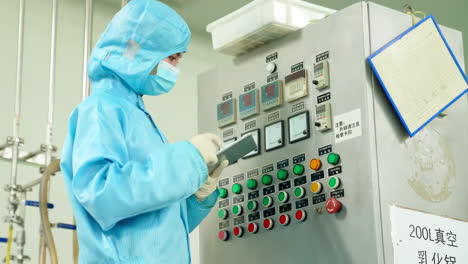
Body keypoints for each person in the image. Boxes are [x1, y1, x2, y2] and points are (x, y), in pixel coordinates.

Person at [60, 0, 227, 263]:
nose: (175, 69)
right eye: (172, 58)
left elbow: (158, 227)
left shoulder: (140, 120)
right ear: (140, 53)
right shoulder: (100, 109)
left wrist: (197, 193)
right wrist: (187, 160)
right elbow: (100, 193)